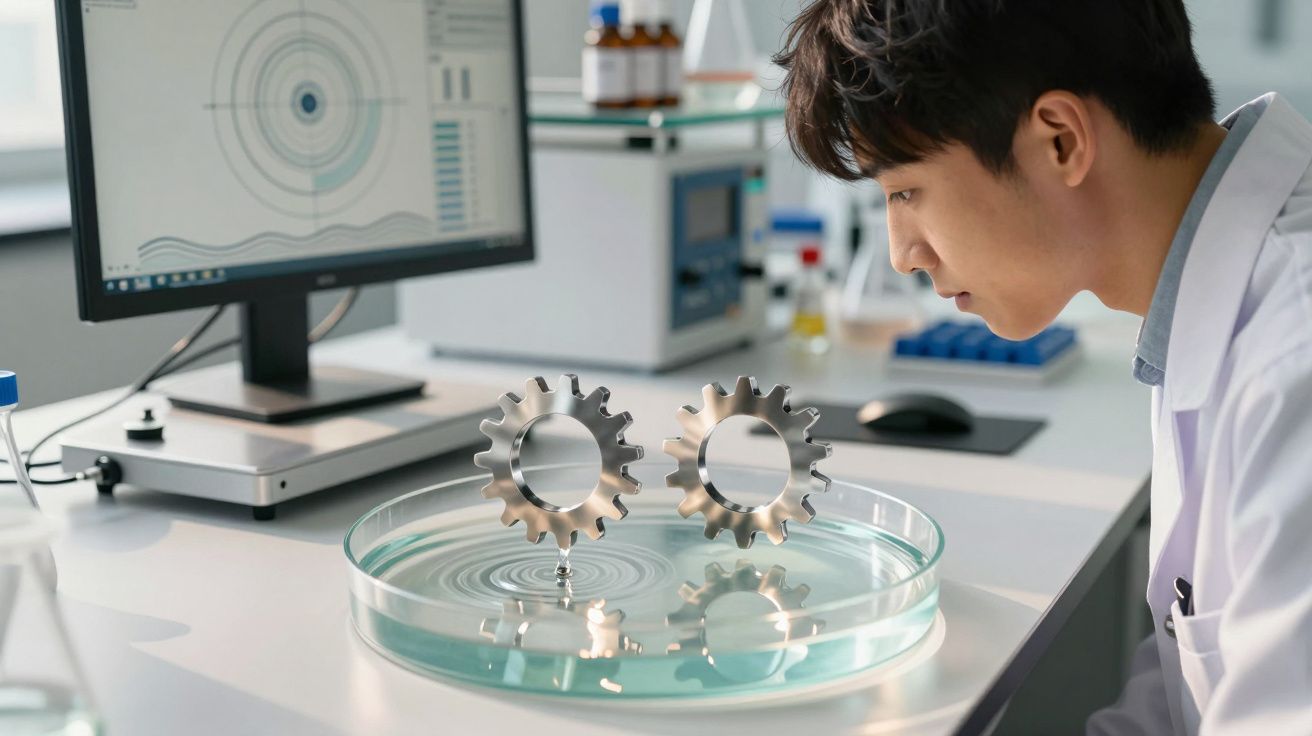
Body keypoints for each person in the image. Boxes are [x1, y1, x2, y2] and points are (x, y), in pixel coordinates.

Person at [774, 1, 1312, 733]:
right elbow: (1199, 675)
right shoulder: (1211, 289)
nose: (904, 252)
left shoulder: (1293, 356)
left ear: (1059, 141)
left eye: (905, 191)